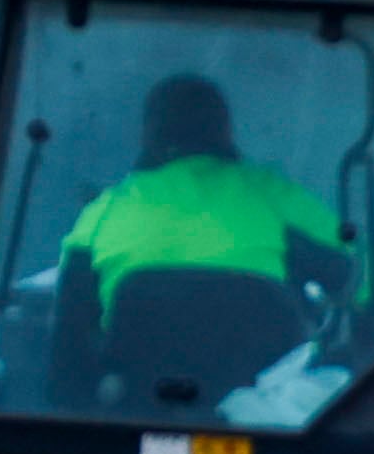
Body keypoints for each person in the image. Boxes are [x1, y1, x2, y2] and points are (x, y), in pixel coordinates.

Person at [61, 74, 357, 312]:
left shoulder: (103, 214)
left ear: (146, 136)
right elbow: (367, 277)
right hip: (266, 384)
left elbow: (70, 336)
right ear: (226, 130)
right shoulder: (272, 196)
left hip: (138, 385)